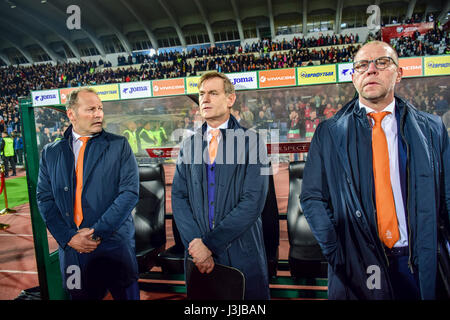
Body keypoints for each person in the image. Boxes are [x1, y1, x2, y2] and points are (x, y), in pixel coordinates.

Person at [300, 41, 449, 300]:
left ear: (399, 73)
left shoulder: (432, 129)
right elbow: (312, 197)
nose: (371, 70)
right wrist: (337, 251)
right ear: (354, 77)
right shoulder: (329, 133)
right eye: (361, 65)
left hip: (419, 261)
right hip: (357, 262)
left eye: (381, 62)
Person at [171, 71, 270, 300]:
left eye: (213, 93)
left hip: (241, 251)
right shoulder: (188, 145)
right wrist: (197, 246)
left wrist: (209, 244)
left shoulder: (253, 142)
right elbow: (179, 197)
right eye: (202, 94)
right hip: (198, 255)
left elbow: (253, 202)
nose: (205, 99)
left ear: (230, 99)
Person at [36, 88, 140, 300]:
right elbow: (44, 198)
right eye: (91, 109)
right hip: (73, 251)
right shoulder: (51, 152)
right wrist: (69, 238)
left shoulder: (118, 145)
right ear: (71, 114)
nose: (98, 114)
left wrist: (96, 233)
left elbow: (129, 193)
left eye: (100, 108)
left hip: (113, 247)